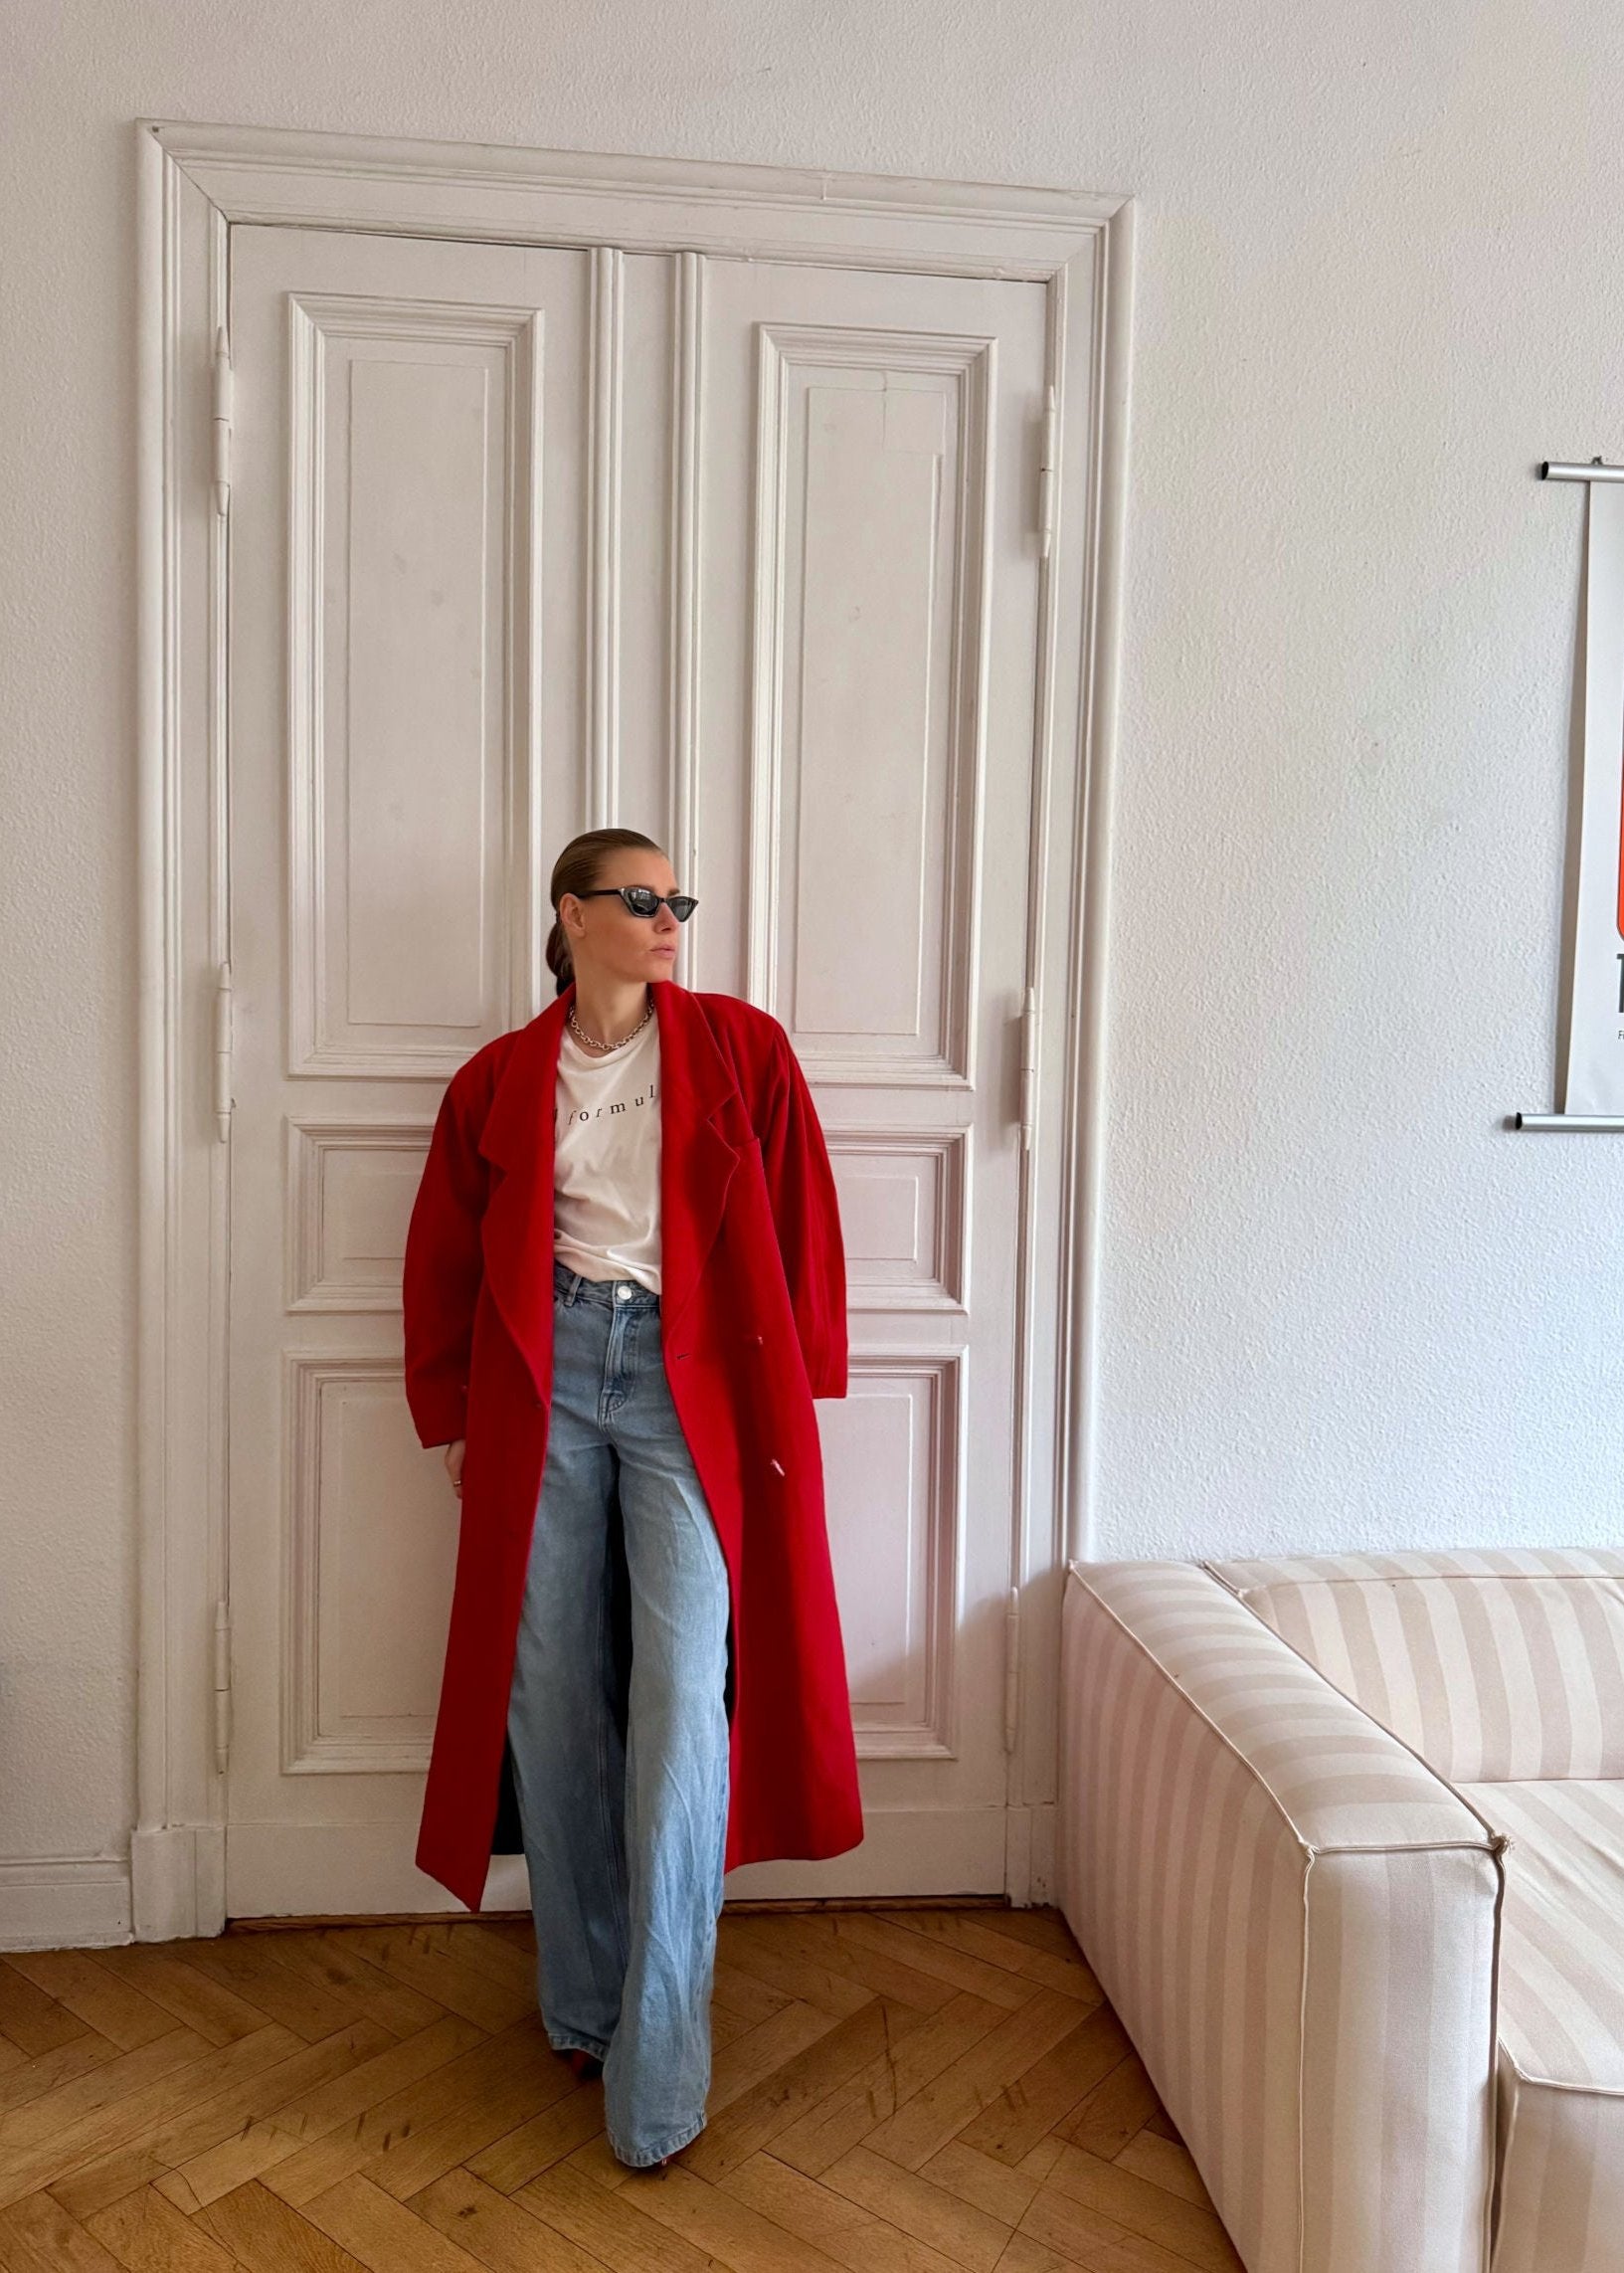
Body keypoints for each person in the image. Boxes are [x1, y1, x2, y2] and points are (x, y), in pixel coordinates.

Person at [402, 825, 860, 2175]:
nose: (669, 921)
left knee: (680, 1697)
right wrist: (451, 1413)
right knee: (547, 1690)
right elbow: (443, 1252)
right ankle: (584, 2002)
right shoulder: (500, 1078)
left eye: (677, 901)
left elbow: (801, 1213)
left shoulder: (739, 1048)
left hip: (688, 1379)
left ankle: (659, 2065)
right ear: (571, 914)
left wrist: (797, 1387)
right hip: (544, 1375)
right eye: (642, 899)